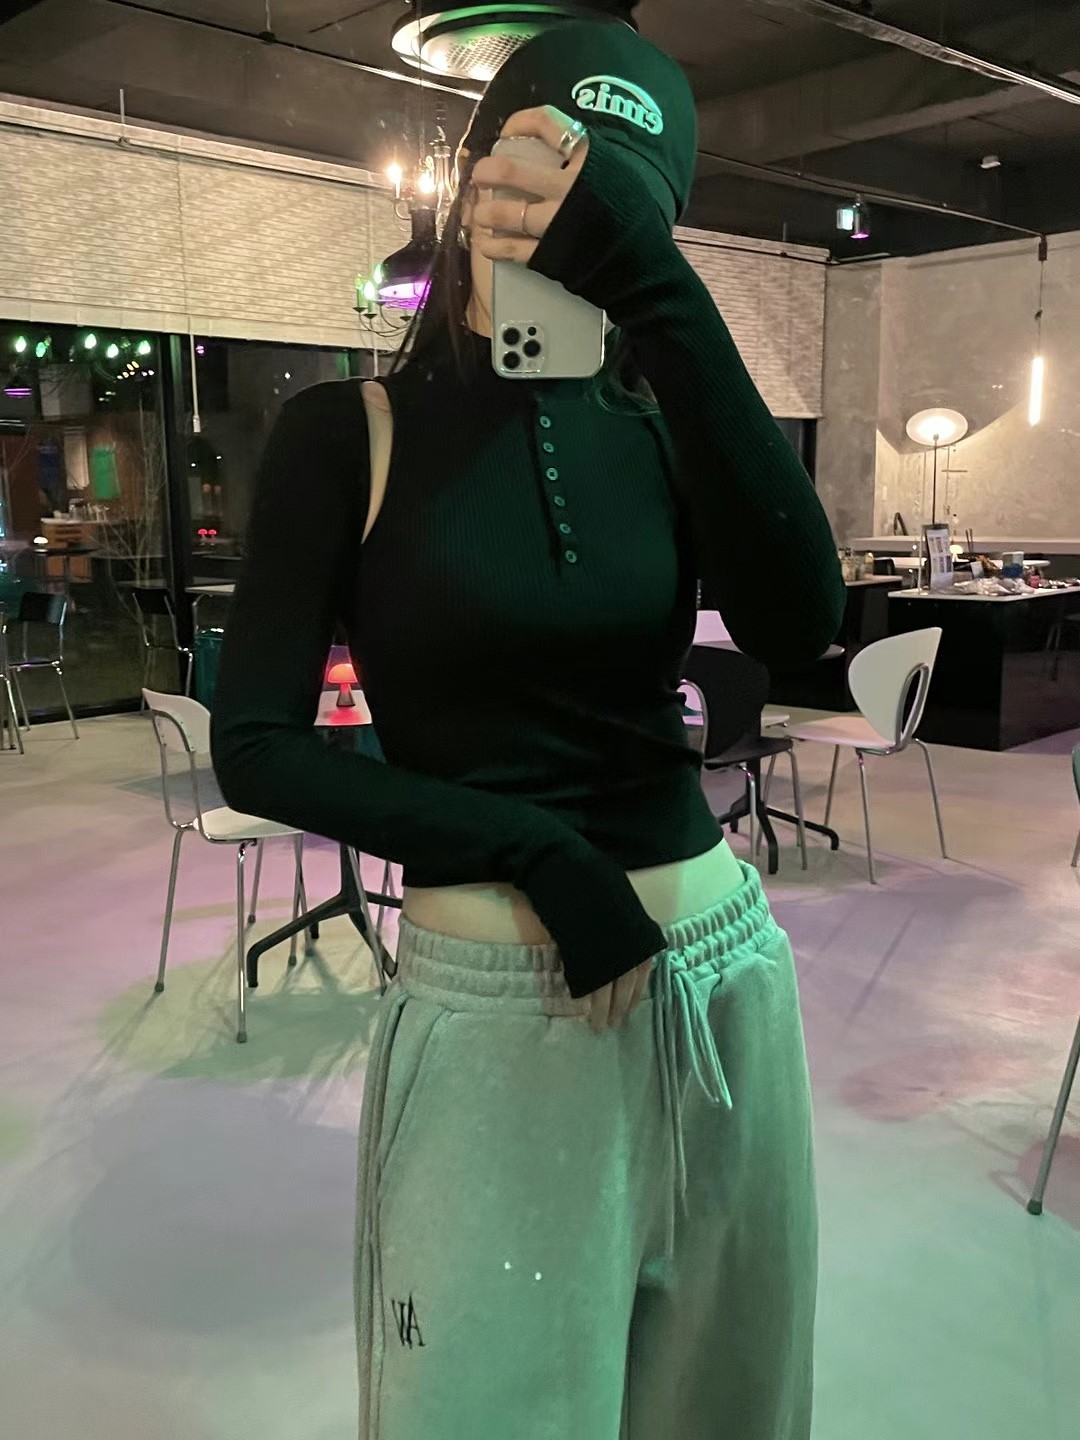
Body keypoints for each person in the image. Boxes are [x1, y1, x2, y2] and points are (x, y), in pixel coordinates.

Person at [212, 17, 844, 1440]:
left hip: (723, 980)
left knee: (732, 1413)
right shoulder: (348, 435)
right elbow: (256, 746)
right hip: (499, 1006)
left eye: (602, 207)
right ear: (472, 184)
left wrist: (661, 290)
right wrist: (539, 852)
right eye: (530, 184)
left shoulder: (661, 424)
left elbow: (801, 618)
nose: (555, 231)